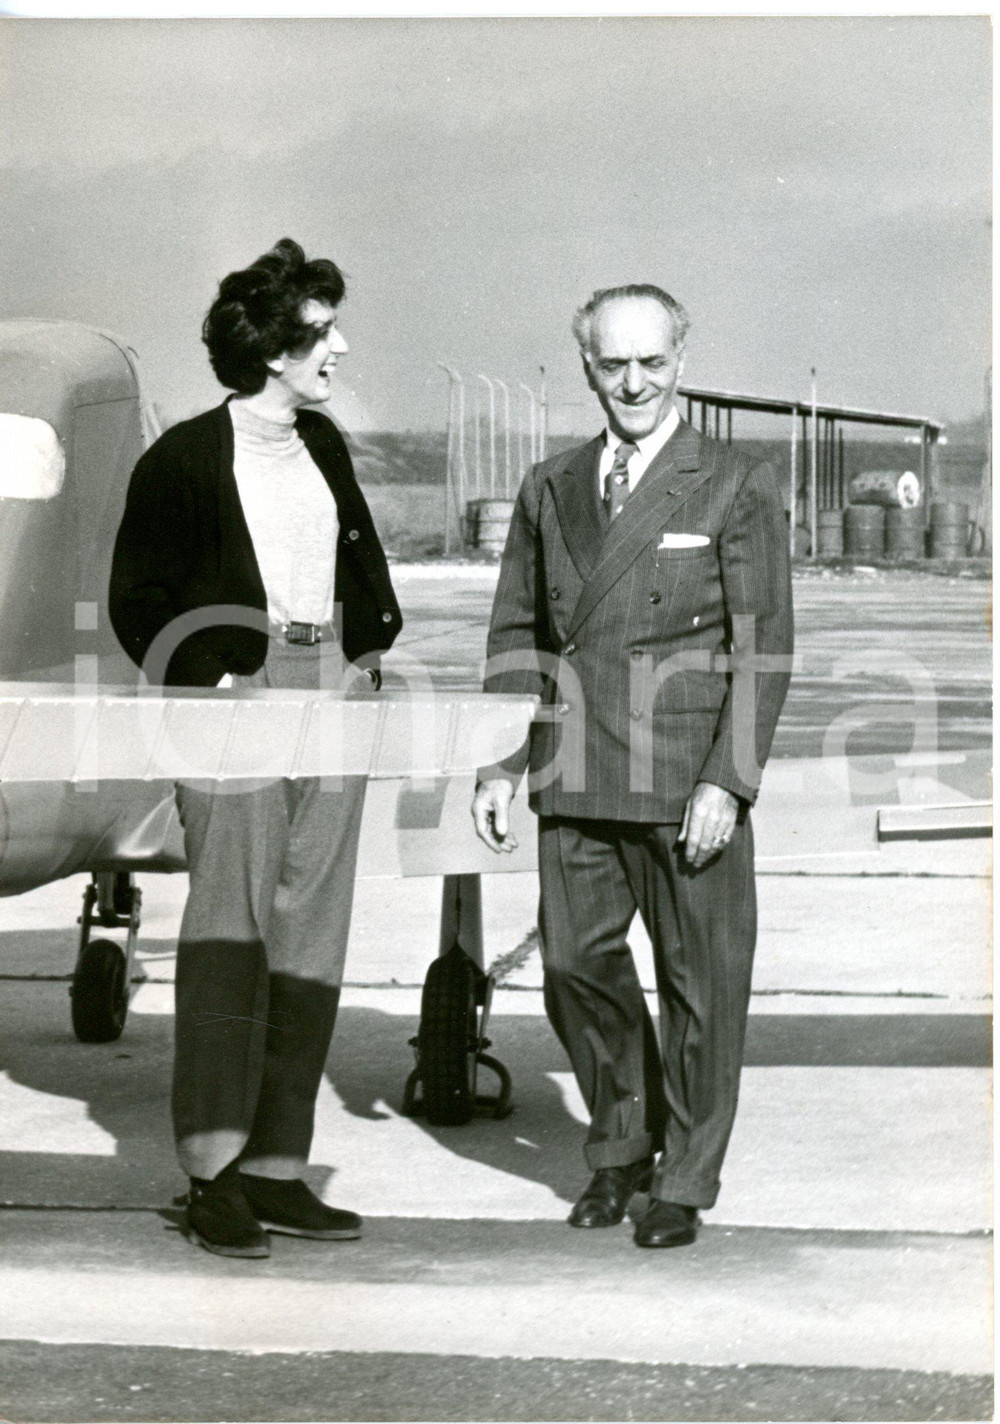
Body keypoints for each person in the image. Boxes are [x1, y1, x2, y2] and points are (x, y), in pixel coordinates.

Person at [472, 284, 793, 1249]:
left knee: (702, 986)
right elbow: (515, 636)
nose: (634, 383)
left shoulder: (733, 480)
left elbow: (763, 643)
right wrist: (499, 762)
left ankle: (684, 1179)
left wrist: (727, 783)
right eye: (614, 364)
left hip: (684, 775)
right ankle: (621, 1146)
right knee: (575, 968)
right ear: (587, 369)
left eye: (652, 362)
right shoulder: (550, 484)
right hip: (573, 769)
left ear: (682, 363)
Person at [109, 238, 402, 1258]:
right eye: (322, 330)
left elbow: (353, 567)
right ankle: (214, 1171)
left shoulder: (321, 447)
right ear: (273, 347)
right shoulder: (185, 458)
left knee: (311, 931)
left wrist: (365, 658)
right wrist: (210, 676)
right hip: (232, 700)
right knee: (230, 934)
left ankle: (280, 1166)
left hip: (333, 694)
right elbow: (134, 604)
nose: (340, 347)